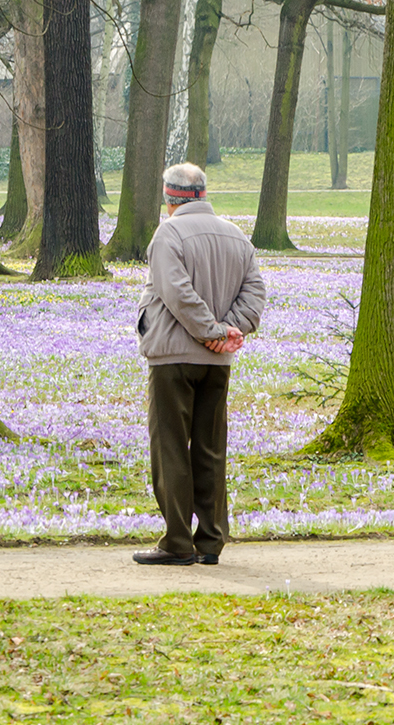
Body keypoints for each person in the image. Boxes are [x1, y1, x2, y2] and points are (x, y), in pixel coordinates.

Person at [132, 162, 266, 566]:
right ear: (203, 194)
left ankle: (176, 542)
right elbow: (254, 293)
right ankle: (210, 539)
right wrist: (228, 332)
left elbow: (176, 293)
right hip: (218, 361)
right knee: (210, 448)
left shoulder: (168, 234)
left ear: (169, 197)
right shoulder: (237, 236)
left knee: (171, 446)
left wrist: (209, 330)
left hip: (173, 357)